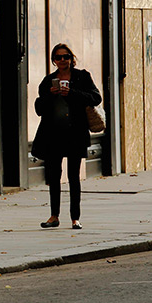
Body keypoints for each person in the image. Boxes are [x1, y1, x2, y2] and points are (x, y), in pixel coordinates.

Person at [34, 43, 102, 230]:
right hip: (53, 134)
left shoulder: (82, 76)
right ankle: (54, 216)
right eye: (58, 57)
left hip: (75, 133)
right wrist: (50, 94)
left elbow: (96, 97)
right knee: (54, 176)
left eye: (65, 57)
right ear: (53, 60)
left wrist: (71, 93)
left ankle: (75, 218)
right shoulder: (48, 81)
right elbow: (39, 108)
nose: (62, 60)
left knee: (73, 176)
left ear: (71, 59)